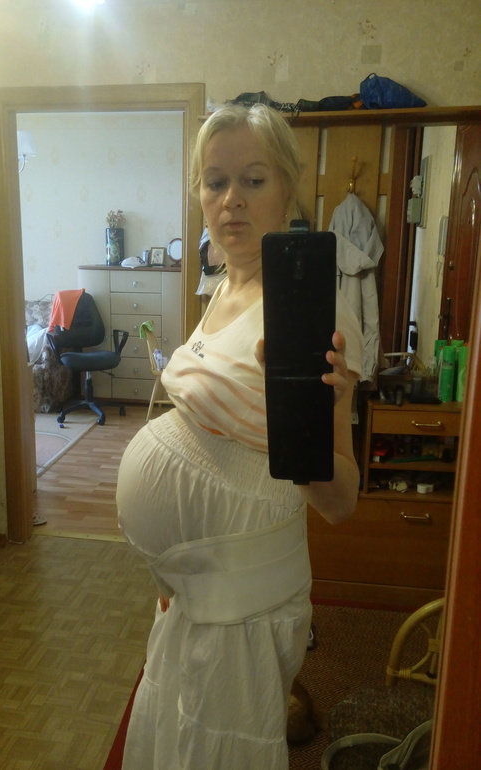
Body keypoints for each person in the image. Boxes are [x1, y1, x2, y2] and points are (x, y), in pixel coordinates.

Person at [116, 103, 363, 770]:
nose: (232, 200)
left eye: (253, 180)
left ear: (287, 188)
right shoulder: (223, 286)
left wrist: (303, 418)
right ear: (199, 195)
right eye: (215, 181)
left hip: (245, 597)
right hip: (198, 589)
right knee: (182, 736)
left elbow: (340, 502)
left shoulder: (313, 311)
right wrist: (172, 569)